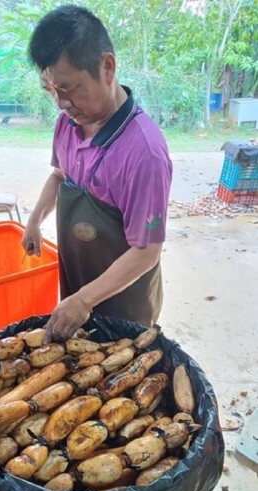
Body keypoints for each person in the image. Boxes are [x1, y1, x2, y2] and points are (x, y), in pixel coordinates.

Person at [22, 4, 172, 343]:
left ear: (107, 67)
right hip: (78, 286)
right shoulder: (66, 124)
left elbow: (147, 251)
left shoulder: (144, 152)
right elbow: (59, 175)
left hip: (126, 304)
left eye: (69, 88)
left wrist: (84, 300)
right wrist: (34, 221)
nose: (61, 103)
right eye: (51, 91)